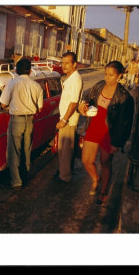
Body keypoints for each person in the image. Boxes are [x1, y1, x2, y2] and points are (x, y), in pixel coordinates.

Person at [78, 60, 134, 205]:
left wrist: (117, 143)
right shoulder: (99, 85)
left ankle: (103, 191)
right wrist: (83, 105)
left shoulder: (125, 97)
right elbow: (87, 95)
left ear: (119, 75)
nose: (107, 77)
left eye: (111, 75)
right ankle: (96, 178)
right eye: (106, 74)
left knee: (105, 162)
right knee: (86, 160)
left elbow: (125, 124)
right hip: (94, 126)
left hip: (110, 132)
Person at [0, 58, 43, 190]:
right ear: (30, 71)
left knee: (14, 151)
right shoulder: (36, 85)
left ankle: (16, 182)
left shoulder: (12, 83)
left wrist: (10, 107)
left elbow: (3, 104)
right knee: (26, 149)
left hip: (16, 119)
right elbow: (39, 108)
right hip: (29, 120)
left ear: (16, 70)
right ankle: (24, 175)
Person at [55, 52, 83, 183]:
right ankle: (63, 171)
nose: (63, 65)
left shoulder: (75, 79)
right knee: (63, 150)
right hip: (66, 118)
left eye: (67, 63)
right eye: (62, 62)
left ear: (74, 64)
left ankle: (64, 177)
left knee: (66, 151)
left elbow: (73, 103)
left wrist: (64, 120)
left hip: (69, 120)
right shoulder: (69, 78)